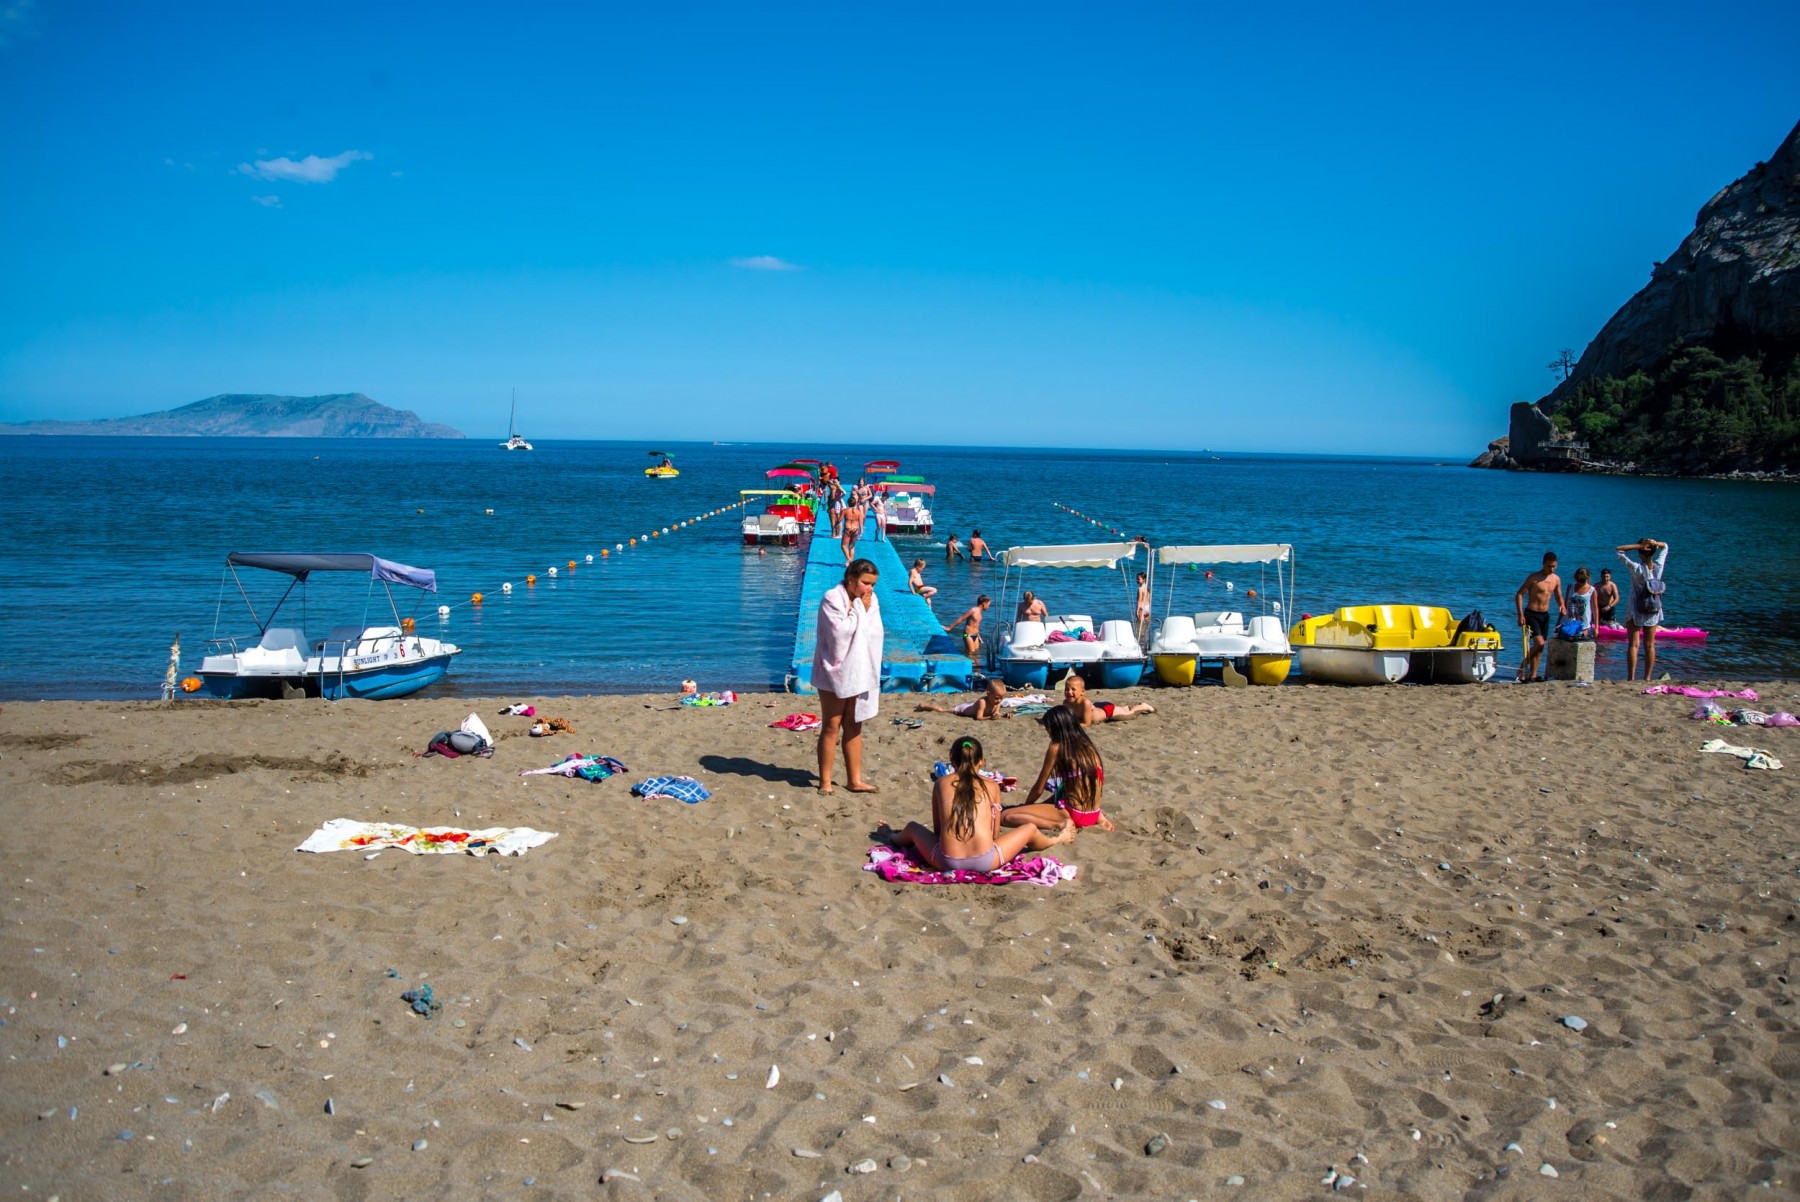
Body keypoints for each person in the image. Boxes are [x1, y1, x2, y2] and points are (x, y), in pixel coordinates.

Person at [889, 735, 1073, 872]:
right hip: (986, 861)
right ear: (982, 761)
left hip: (947, 861)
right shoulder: (991, 786)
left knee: (913, 828)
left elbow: (939, 831)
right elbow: (994, 833)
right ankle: (1057, 839)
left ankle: (891, 836)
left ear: (952, 761)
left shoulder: (941, 783)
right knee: (1030, 829)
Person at [811, 558, 884, 794]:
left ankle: (855, 779)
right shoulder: (832, 598)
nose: (870, 589)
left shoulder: (871, 601)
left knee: (854, 724)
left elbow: (874, 633)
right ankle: (825, 781)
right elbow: (839, 634)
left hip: (861, 668)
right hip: (834, 668)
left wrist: (862, 608)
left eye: (873, 584)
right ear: (851, 580)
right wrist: (859, 610)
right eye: (865, 583)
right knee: (832, 725)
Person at [1001, 707, 1113, 836]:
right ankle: (1098, 818)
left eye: (1048, 728)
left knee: (1007, 816)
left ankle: (1058, 825)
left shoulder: (1057, 747)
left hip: (1075, 813)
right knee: (1053, 798)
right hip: (1094, 813)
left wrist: (1025, 806)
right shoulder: (1088, 747)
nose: (1048, 732)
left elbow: (1039, 788)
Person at [1616, 537, 1669, 681]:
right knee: (1650, 645)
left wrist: (1638, 545)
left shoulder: (1637, 569)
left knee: (1633, 644)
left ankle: (1631, 677)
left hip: (1635, 609)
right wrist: (1655, 543)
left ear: (1640, 553)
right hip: (1653, 610)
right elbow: (1665, 547)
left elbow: (1619, 550)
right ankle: (1647, 677)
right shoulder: (1658, 567)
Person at [1512, 551, 1565, 683]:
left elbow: (1558, 596)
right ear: (1543, 564)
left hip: (1545, 615)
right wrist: (1520, 614)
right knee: (1539, 643)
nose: (1551, 569)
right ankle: (1522, 666)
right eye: (1549, 566)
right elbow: (1519, 594)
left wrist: (1562, 606)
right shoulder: (1534, 578)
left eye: (1554, 566)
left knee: (1541, 647)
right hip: (1531, 614)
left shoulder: (1556, 579)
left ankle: (1533, 675)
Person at [1060, 673, 1154, 724]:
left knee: (1130, 715)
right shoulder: (1066, 703)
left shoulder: (1085, 703)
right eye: (1066, 689)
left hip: (1107, 711)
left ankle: (1142, 706)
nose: (1069, 692)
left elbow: (1086, 723)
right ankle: (1125, 707)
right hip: (1098, 707)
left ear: (1082, 692)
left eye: (1073, 689)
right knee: (1122, 710)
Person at [916, 678, 1010, 719]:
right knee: (942, 711)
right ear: (988, 694)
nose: (999, 701)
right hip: (962, 710)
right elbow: (978, 718)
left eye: (1002, 698)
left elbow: (996, 714)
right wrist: (990, 718)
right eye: (997, 698)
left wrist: (1003, 715)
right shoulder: (983, 702)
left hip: (971, 706)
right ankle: (925, 706)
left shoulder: (997, 703)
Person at [944, 594, 991, 659]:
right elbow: (961, 619)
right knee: (972, 654)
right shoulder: (973, 610)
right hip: (967, 635)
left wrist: (979, 636)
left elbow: (976, 626)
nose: (988, 607)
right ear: (984, 604)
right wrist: (949, 628)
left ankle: (976, 667)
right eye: (988, 605)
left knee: (976, 654)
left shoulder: (980, 612)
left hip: (976, 636)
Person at [1567, 567, 1599, 638]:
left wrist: (1596, 628)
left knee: (1581, 642)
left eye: (1582, 581)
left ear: (1587, 578)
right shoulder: (1570, 587)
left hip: (1584, 622)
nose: (1580, 583)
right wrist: (1559, 620)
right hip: (1570, 621)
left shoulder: (1592, 590)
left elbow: (1595, 609)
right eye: (1578, 581)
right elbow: (1565, 604)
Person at [839, 493, 866, 563]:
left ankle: (849, 559)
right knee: (852, 546)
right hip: (855, 529)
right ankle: (849, 562)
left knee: (843, 546)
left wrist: (835, 525)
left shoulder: (845, 510)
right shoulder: (859, 512)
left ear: (848, 503)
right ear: (856, 503)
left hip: (847, 529)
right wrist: (861, 532)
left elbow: (839, 520)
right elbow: (861, 523)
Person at [1134, 571, 1152, 642]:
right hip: (1148, 608)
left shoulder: (1140, 589)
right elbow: (1149, 599)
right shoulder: (1148, 588)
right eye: (1137, 579)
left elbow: (1139, 600)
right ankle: (1146, 642)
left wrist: (1137, 610)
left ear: (1144, 579)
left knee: (1140, 628)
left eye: (1138, 579)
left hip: (1142, 608)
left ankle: (1141, 642)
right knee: (1146, 626)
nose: (1137, 580)